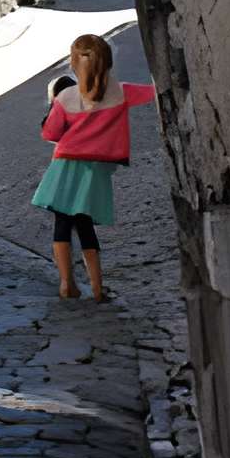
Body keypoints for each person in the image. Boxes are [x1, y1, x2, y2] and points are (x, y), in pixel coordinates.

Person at [33, 32, 155, 303]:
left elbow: (50, 133)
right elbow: (154, 92)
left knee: (62, 224)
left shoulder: (65, 97)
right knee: (86, 226)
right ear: (107, 63)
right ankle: (98, 288)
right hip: (94, 171)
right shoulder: (121, 92)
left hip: (64, 167)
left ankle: (67, 284)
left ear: (75, 64)